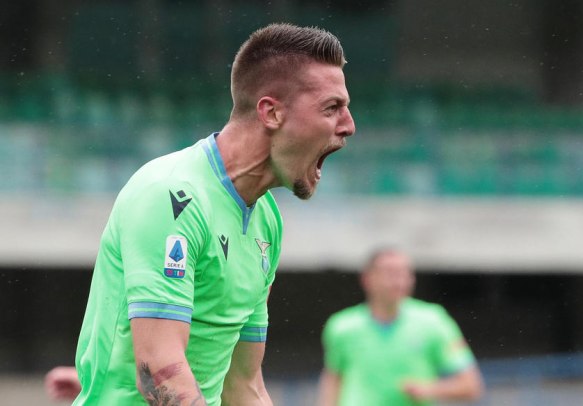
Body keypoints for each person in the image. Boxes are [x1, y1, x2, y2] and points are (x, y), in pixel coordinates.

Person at [48, 23, 355, 405]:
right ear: (272, 112)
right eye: (332, 108)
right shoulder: (171, 195)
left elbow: (243, 385)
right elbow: (159, 371)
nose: (349, 125)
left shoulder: (266, 219)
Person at [318, 248, 484, 406]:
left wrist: (429, 389)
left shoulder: (434, 321)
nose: (399, 281)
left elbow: (470, 386)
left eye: (405, 273)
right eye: (390, 273)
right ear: (367, 279)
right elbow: (333, 380)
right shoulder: (342, 326)